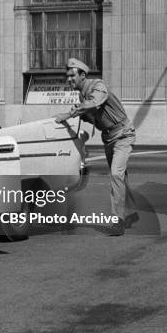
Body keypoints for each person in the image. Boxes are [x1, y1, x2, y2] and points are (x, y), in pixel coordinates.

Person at [54, 58, 138, 236]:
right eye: (67, 77)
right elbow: (90, 115)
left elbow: (94, 103)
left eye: (72, 76)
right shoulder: (81, 96)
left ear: (82, 75)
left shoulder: (97, 86)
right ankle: (134, 210)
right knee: (121, 177)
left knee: (116, 174)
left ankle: (118, 220)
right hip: (108, 137)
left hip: (123, 134)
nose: (69, 80)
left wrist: (68, 114)